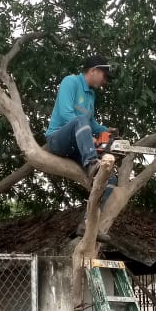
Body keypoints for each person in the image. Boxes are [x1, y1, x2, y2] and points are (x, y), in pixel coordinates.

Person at [45, 54, 118, 238]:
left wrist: (105, 131)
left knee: (110, 178)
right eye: (104, 76)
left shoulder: (91, 95)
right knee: (80, 120)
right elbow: (66, 114)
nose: (105, 81)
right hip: (58, 139)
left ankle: (87, 224)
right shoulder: (70, 82)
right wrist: (89, 137)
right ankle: (92, 162)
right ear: (93, 71)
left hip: (78, 146)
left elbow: (91, 124)